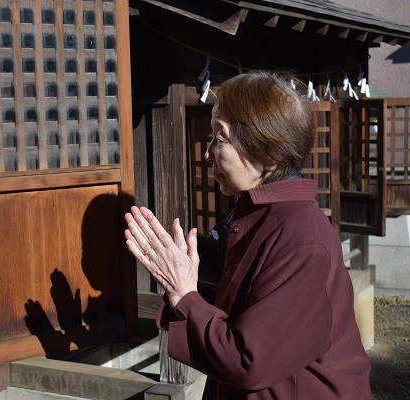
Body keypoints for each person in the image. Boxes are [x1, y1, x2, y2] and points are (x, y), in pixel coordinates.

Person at [124, 71, 371, 399]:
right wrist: (183, 281)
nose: (208, 153)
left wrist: (185, 294)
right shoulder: (257, 217)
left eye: (220, 137)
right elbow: (241, 314)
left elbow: (248, 359)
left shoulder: (303, 237)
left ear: (269, 154)